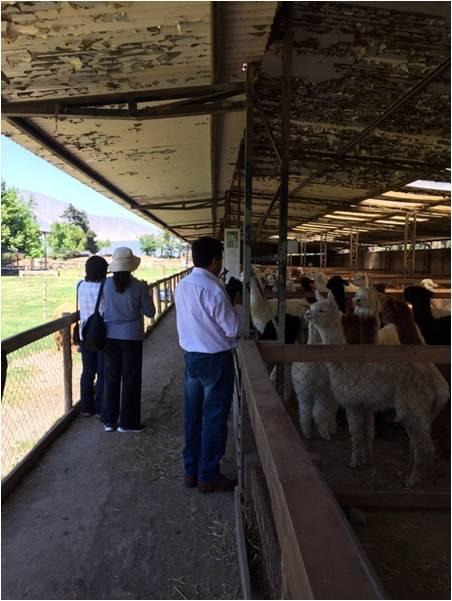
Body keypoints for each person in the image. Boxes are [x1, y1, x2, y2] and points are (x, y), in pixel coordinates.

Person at [174, 236, 243, 493]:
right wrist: (236, 305)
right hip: (215, 361)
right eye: (220, 259)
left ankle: (190, 471)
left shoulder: (183, 285)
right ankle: (208, 475)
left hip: (192, 359)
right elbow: (233, 328)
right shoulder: (214, 289)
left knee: (193, 416)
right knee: (214, 417)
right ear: (215, 260)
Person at [101, 247, 155, 432]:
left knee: (111, 377)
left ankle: (109, 421)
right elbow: (150, 312)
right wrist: (148, 294)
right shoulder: (139, 286)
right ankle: (128, 422)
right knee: (131, 378)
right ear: (131, 266)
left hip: (109, 336)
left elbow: (102, 309)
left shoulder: (105, 285)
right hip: (131, 337)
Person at [78, 255, 108, 417]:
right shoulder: (105, 286)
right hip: (102, 334)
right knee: (103, 371)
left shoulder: (79, 285)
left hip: (84, 334)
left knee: (88, 371)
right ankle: (99, 407)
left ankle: (86, 407)